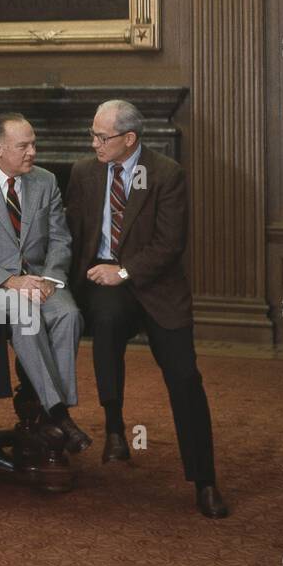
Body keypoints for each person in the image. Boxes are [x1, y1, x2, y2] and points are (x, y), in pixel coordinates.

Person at [65, 99, 227, 518]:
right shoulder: (85, 172)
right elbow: (73, 233)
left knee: (185, 377)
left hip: (156, 287)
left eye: (103, 137)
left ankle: (204, 480)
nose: (95, 143)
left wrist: (123, 272)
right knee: (105, 319)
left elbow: (169, 245)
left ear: (129, 139)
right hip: (103, 283)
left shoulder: (165, 174)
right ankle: (114, 427)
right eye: (93, 135)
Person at [0, 113, 90, 451]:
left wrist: (49, 279)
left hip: (41, 278)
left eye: (34, 143)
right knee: (25, 316)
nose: (32, 151)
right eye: (23, 145)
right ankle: (59, 413)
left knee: (69, 315)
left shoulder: (45, 181)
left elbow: (61, 240)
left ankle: (48, 413)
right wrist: (10, 281)